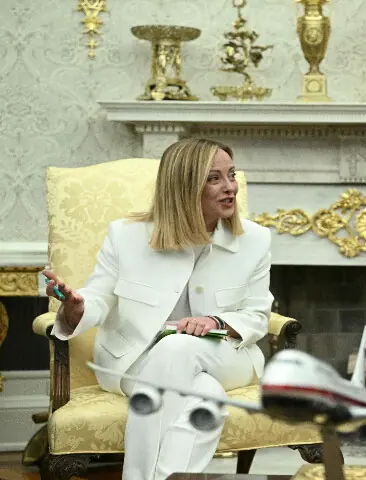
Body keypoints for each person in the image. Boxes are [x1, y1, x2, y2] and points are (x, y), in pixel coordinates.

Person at [42, 138, 274, 480]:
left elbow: (258, 316)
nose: (231, 188)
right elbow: (100, 297)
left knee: (178, 345)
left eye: (232, 174)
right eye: (215, 178)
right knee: (205, 401)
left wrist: (215, 321)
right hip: (135, 359)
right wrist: (77, 307)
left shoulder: (255, 240)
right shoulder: (126, 236)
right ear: (184, 186)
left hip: (227, 355)